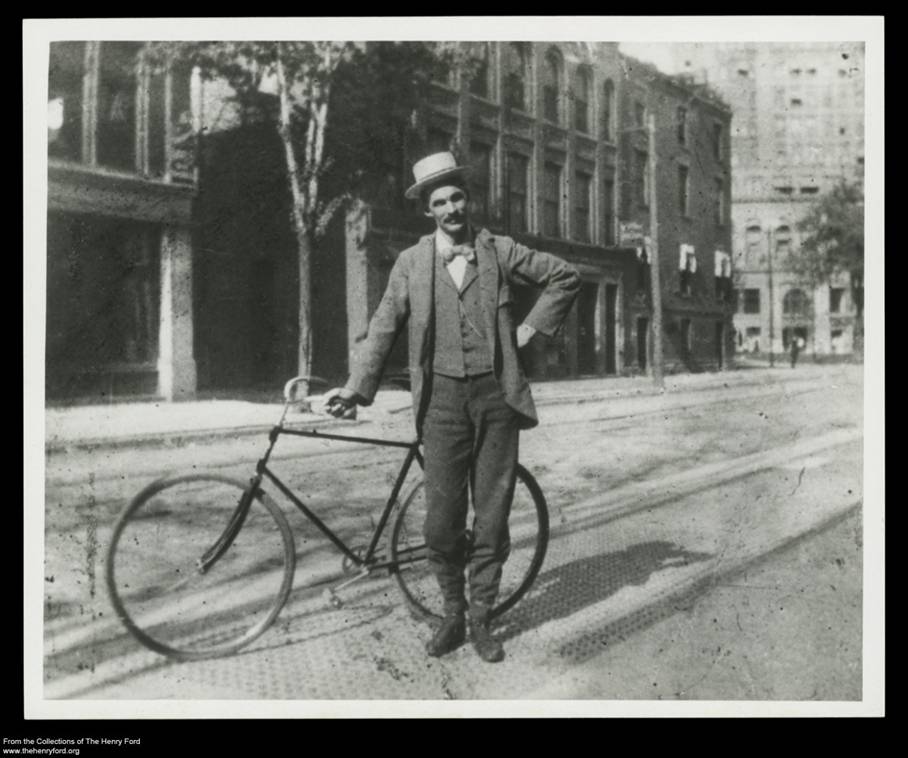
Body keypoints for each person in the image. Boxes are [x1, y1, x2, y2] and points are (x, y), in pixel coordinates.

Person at [325, 152, 580, 663]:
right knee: (440, 523)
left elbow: (565, 277)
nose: (450, 208)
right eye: (438, 201)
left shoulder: (498, 250)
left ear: (469, 198)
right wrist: (356, 387)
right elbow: (383, 325)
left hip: (496, 399)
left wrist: (527, 331)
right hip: (440, 402)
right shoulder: (412, 263)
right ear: (427, 209)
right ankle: (452, 613)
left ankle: (483, 618)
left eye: (456, 196)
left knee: (491, 516)